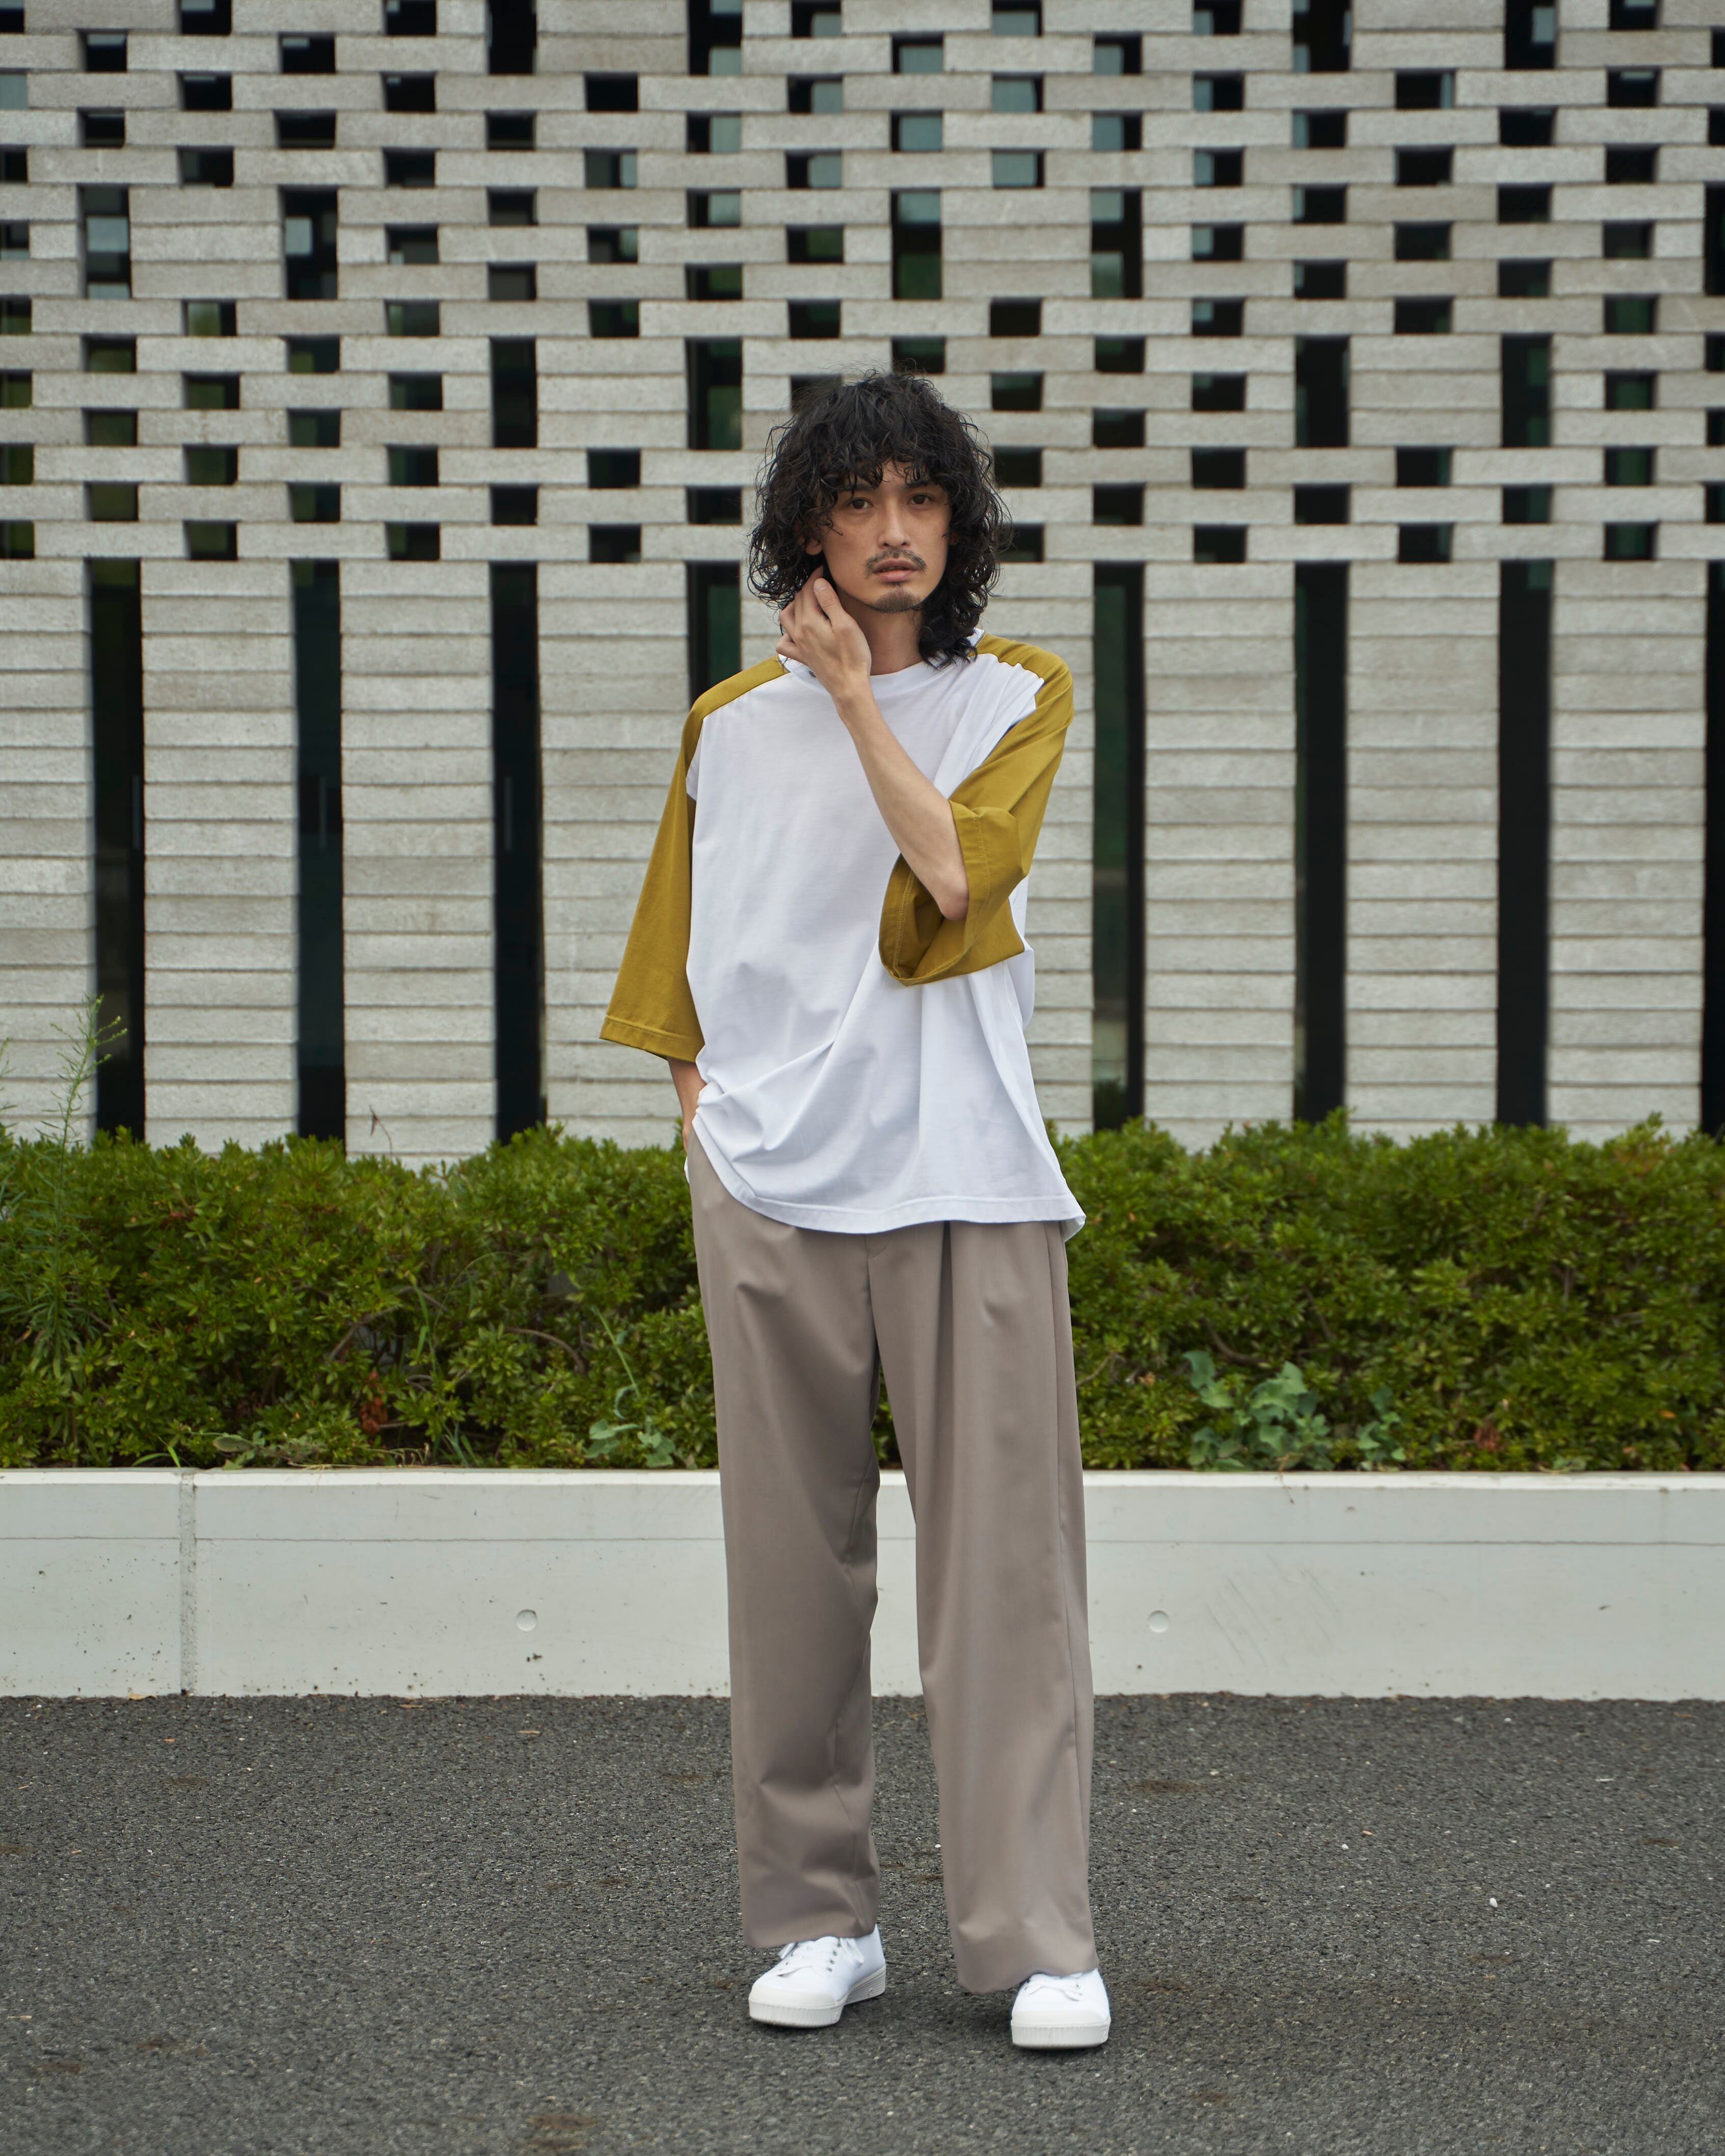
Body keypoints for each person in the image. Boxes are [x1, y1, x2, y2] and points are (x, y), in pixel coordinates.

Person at [600, 371, 1108, 2050]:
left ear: (958, 525)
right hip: (771, 1187)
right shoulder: (727, 725)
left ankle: (1033, 1939)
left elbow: (951, 880)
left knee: (1005, 1580)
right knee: (788, 1573)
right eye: (856, 501)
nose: (892, 532)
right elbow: (677, 953)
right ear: (803, 528)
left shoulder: (1014, 691)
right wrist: (704, 1111)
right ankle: (818, 1921)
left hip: (964, 1174)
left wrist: (849, 696)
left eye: (922, 499)